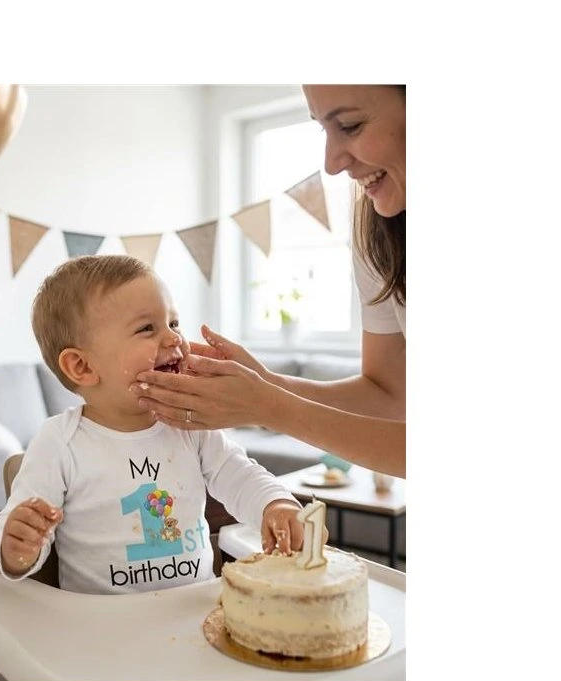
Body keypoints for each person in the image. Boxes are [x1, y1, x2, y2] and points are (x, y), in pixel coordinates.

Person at [130, 85, 406, 478]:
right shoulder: (380, 228)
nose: (331, 163)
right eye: (323, 129)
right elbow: (391, 397)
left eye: (350, 125)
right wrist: (265, 384)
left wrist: (268, 406)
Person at [0, 255, 305, 594]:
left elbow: (240, 475)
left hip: (193, 610)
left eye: (174, 323)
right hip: (104, 621)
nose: (173, 339)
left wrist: (274, 503)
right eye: (147, 329)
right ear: (82, 367)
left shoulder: (190, 423)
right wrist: (17, 545)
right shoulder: (59, 442)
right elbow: (17, 519)